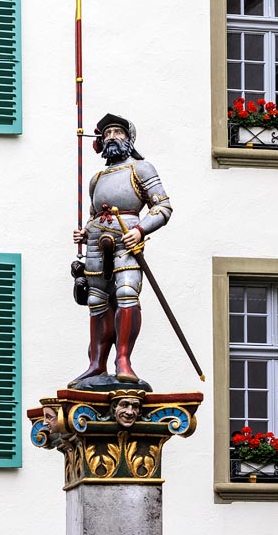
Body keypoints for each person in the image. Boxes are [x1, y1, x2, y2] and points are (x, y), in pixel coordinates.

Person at [70, 113, 173, 386]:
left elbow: (163, 208)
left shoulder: (140, 169)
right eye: (107, 134)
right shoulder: (97, 178)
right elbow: (93, 214)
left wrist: (140, 230)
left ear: (128, 138)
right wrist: (85, 231)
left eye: (118, 132)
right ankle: (96, 364)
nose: (112, 137)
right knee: (96, 300)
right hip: (95, 243)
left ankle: (123, 360)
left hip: (126, 239)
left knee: (127, 293)